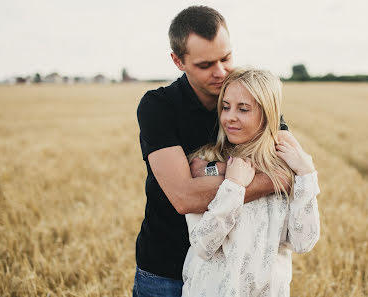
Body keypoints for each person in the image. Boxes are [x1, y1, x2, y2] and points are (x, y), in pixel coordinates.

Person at [133, 6, 291, 297]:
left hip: (233, 274)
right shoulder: (159, 107)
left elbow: (289, 169)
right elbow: (184, 198)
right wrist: (266, 179)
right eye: (205, 65)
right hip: (165, 271)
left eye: (226, 57)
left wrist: (216, 173)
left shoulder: (252, 97)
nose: (221, 72)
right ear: (177, 61)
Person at [182, 68, 320, 297]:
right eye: (225, 107)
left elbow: (303, 242)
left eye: (243, 109)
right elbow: (203, 245)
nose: (229, 117)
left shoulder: (284, 170)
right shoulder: (206, 163)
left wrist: (306, 174)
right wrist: (233, 187)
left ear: (268, 114)